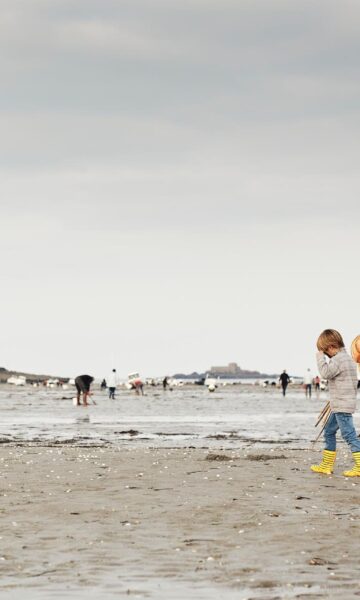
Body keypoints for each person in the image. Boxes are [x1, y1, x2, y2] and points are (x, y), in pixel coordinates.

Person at [311, 329, 359, 477]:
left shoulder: (339, 359)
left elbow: (325, 373)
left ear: (331, 346)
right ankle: (326, 465)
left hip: (341, 405)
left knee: (349, 435)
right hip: (339, 404)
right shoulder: (349, 359)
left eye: (325, 352)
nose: (325, 354)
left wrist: (319, 358)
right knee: (329, 431)